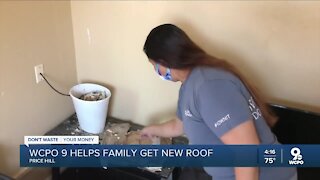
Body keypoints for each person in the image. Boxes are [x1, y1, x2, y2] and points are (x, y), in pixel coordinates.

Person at [141, 24, 297, 180]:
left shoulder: (209, 86)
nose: (156, 72)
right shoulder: (189, 84)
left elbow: (247, 151)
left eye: (154, 66)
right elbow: (178, 125)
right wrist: (151, 130)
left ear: (164, 61)